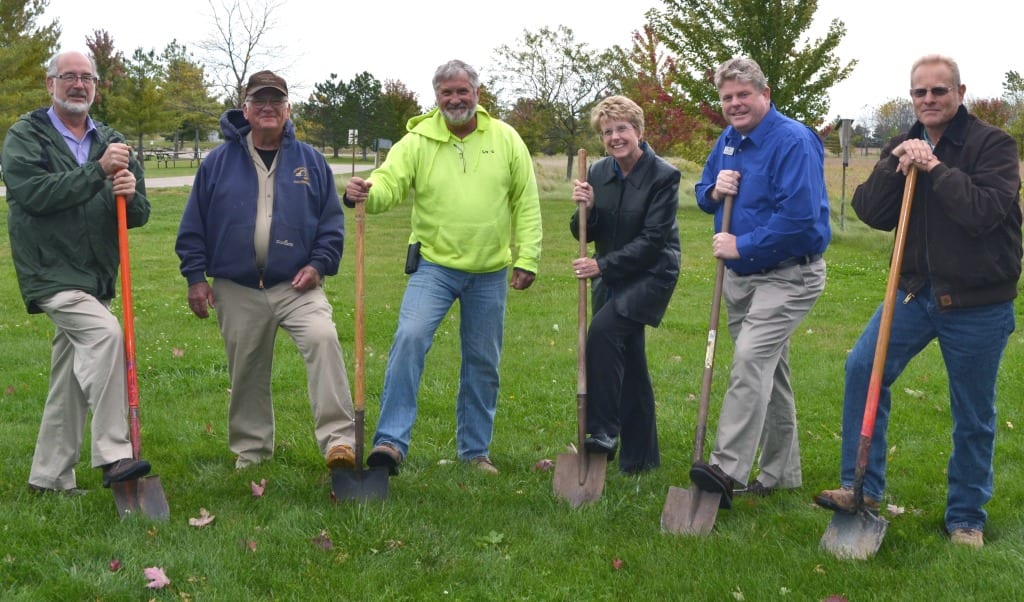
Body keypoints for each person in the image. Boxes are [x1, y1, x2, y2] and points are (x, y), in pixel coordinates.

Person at [815, 55, 1021, 549]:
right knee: (863, 369)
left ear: (960, 92)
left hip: (976, 301)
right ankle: (859, 488)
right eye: (919, 93)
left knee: (972, 411)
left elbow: (983, 213)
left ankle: (966, 517)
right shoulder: (903, 141)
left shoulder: (992, 145)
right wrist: (895, 164)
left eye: (938, 92)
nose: (928, 100)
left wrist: (935, 167)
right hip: (913, 292)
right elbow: (871, 211)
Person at [344, 59, 542, 476]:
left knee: (482, 360)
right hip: (433, 265)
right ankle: (389, 445)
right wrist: (366, 192)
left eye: (461, 91)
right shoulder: (417, 140)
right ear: (436, 98)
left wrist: (527, 257)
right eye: (446, 93)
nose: (455, 99)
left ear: (476, 94)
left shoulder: (505, 138)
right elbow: (390, 181)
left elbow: (526, 202)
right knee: (409, 338)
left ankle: (474, 453)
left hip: (489, 272)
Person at [175, 70, 357, 471]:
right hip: (236, 286)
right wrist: (195, 277)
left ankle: (340, 444)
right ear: (246, 109)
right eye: (260, 101)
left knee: (323, 339)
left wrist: (318, 265)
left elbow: (331, 224)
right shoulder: (218, 163)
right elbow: (193, 225)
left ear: (288, 109)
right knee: (247, 371)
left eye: (277, 101)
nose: (268, 108)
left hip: (297, 284)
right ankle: (251, 451)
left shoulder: (311, 161)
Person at [2, 50, 152, 494]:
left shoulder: (113, 140)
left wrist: (128, 190)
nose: (78, 85)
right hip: (52, 274)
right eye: (68, 76)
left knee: (68, 378)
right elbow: (32, 194)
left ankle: (47, 479)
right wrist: (97, 172)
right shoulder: (26, 135)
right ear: (50, 84)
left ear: (96, 87)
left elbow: (138, 212)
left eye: (86, 78)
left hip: (95, 277)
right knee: (106, 335)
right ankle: (113, 454)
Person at [689, 57, 830, 509]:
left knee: (749, 361)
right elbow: (702, 192)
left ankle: (725, 469)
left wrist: (741, 245)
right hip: (742, 281)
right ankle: (781, 473)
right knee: (771, 373)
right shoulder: (729, 140)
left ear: (765, 95)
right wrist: (714, 192)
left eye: (743, 95)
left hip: (790, 274)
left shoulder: (792, 140)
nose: (735, 104)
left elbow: (800, 219)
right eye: (727, 97)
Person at [570, 95, 681, 474]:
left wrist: (600, 265)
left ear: (638, 131)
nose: (615, 137)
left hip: (652, 274)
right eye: (607, 132)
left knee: (601, 333)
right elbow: (586, 230)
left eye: (621, 129)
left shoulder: (663, 176)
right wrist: (585, 208)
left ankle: (603, 431)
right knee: (631, 361)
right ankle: (642, 459)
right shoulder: (599, 172)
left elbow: (652, 241)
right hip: (614, 274)